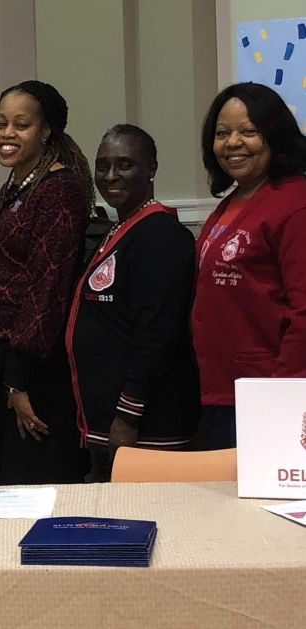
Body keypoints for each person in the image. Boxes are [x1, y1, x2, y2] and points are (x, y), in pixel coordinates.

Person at [65, 124, 199, 482]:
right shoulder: (120, 228)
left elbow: (157, 335)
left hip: (144, 428)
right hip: (109, 424)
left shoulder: (160, 236)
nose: (110, 176)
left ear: (151, 169)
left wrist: (127, 416)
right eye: (102, 165)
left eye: (124, 165)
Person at [0, 80, 92, 485]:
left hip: (33, 368)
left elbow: (48, 290)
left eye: (21, 125)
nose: (7, 134)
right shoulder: (18, 183)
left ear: (45, 131)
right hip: (3, 354)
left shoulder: (58, 190)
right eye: (1, 123)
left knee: (34, 479)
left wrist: (17, 381)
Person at [192, 82, 306, 450]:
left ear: (274, 135)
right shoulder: (234, 200)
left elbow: (303, 312)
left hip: (267, 392)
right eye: (222, 133)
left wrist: (282, 395)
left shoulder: (294, 203)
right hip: (222, 389)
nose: (233, 142)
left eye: (249, 131)